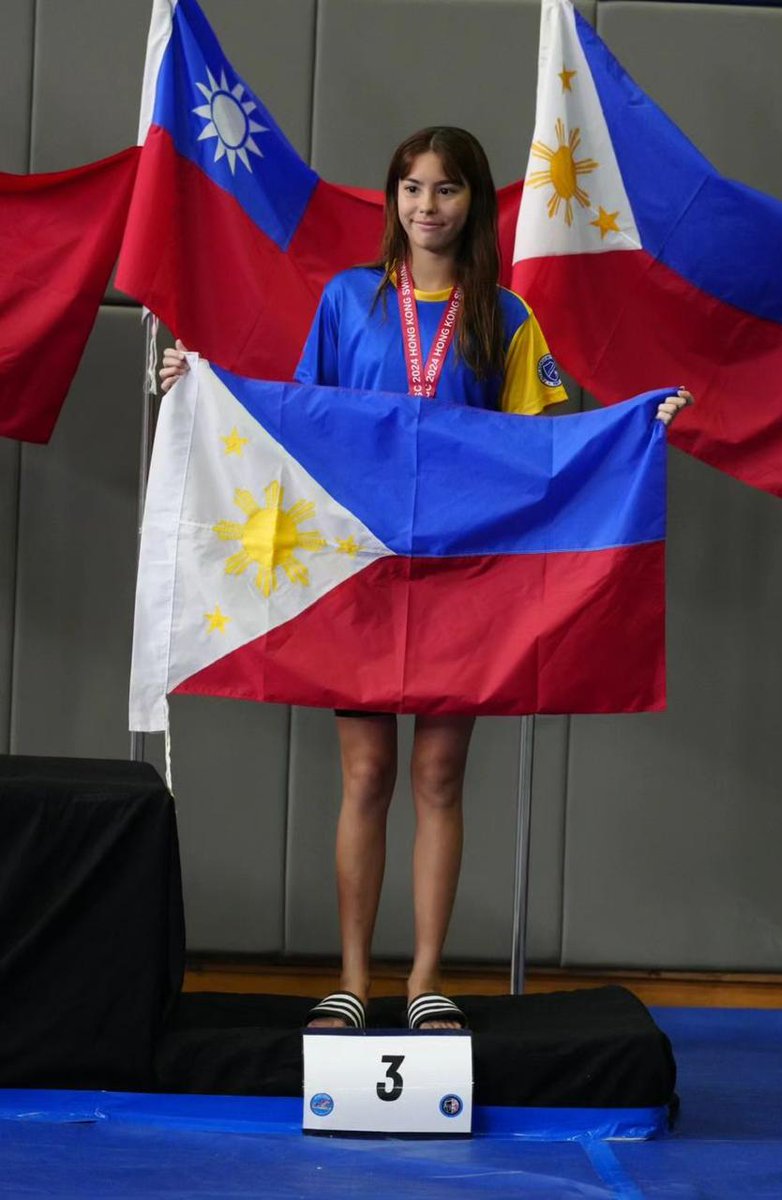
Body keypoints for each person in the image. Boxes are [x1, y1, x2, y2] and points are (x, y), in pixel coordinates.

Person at [160, 126, 691, 1032]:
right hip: (361, 578)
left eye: (446, 191)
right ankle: (354, 983)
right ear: (391, 198)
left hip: (465, 584)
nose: (426, 207)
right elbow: (297, 426)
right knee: (366, 774)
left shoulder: (507, 317)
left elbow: (549, 449)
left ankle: (427, 984)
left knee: (439, 777)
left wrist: (636, 428)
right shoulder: (346, 301)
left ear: (474, 203)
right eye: (410, 188)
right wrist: (208, 385)